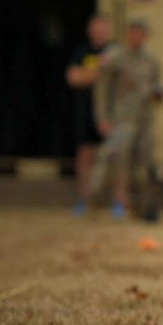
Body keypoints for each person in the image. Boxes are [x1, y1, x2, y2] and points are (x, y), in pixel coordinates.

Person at [91, 20, 163, 220]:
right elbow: (102, 90)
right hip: (122, 118)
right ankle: (99, 199)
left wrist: (157, 93)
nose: (137, 37)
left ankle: (144, 207)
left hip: (145, 119)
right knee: (115, 157)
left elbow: (158, 88)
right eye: (134, 32)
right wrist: (103, 117)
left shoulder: (151, 60)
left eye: (141, 33)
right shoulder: (115, 56)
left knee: (146, 163)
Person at [66, 14, 113, 215]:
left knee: (113, 157)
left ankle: (113, 202)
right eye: (97, 28)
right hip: (85, 110)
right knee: (85, 154)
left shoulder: (115, 51)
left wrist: (90, 75)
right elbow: (73, 78)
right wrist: (100, 73)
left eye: (104, 28)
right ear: (90, 30)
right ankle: (84, 200)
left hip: (111, 113)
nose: (100, 32)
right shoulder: (81, 51)